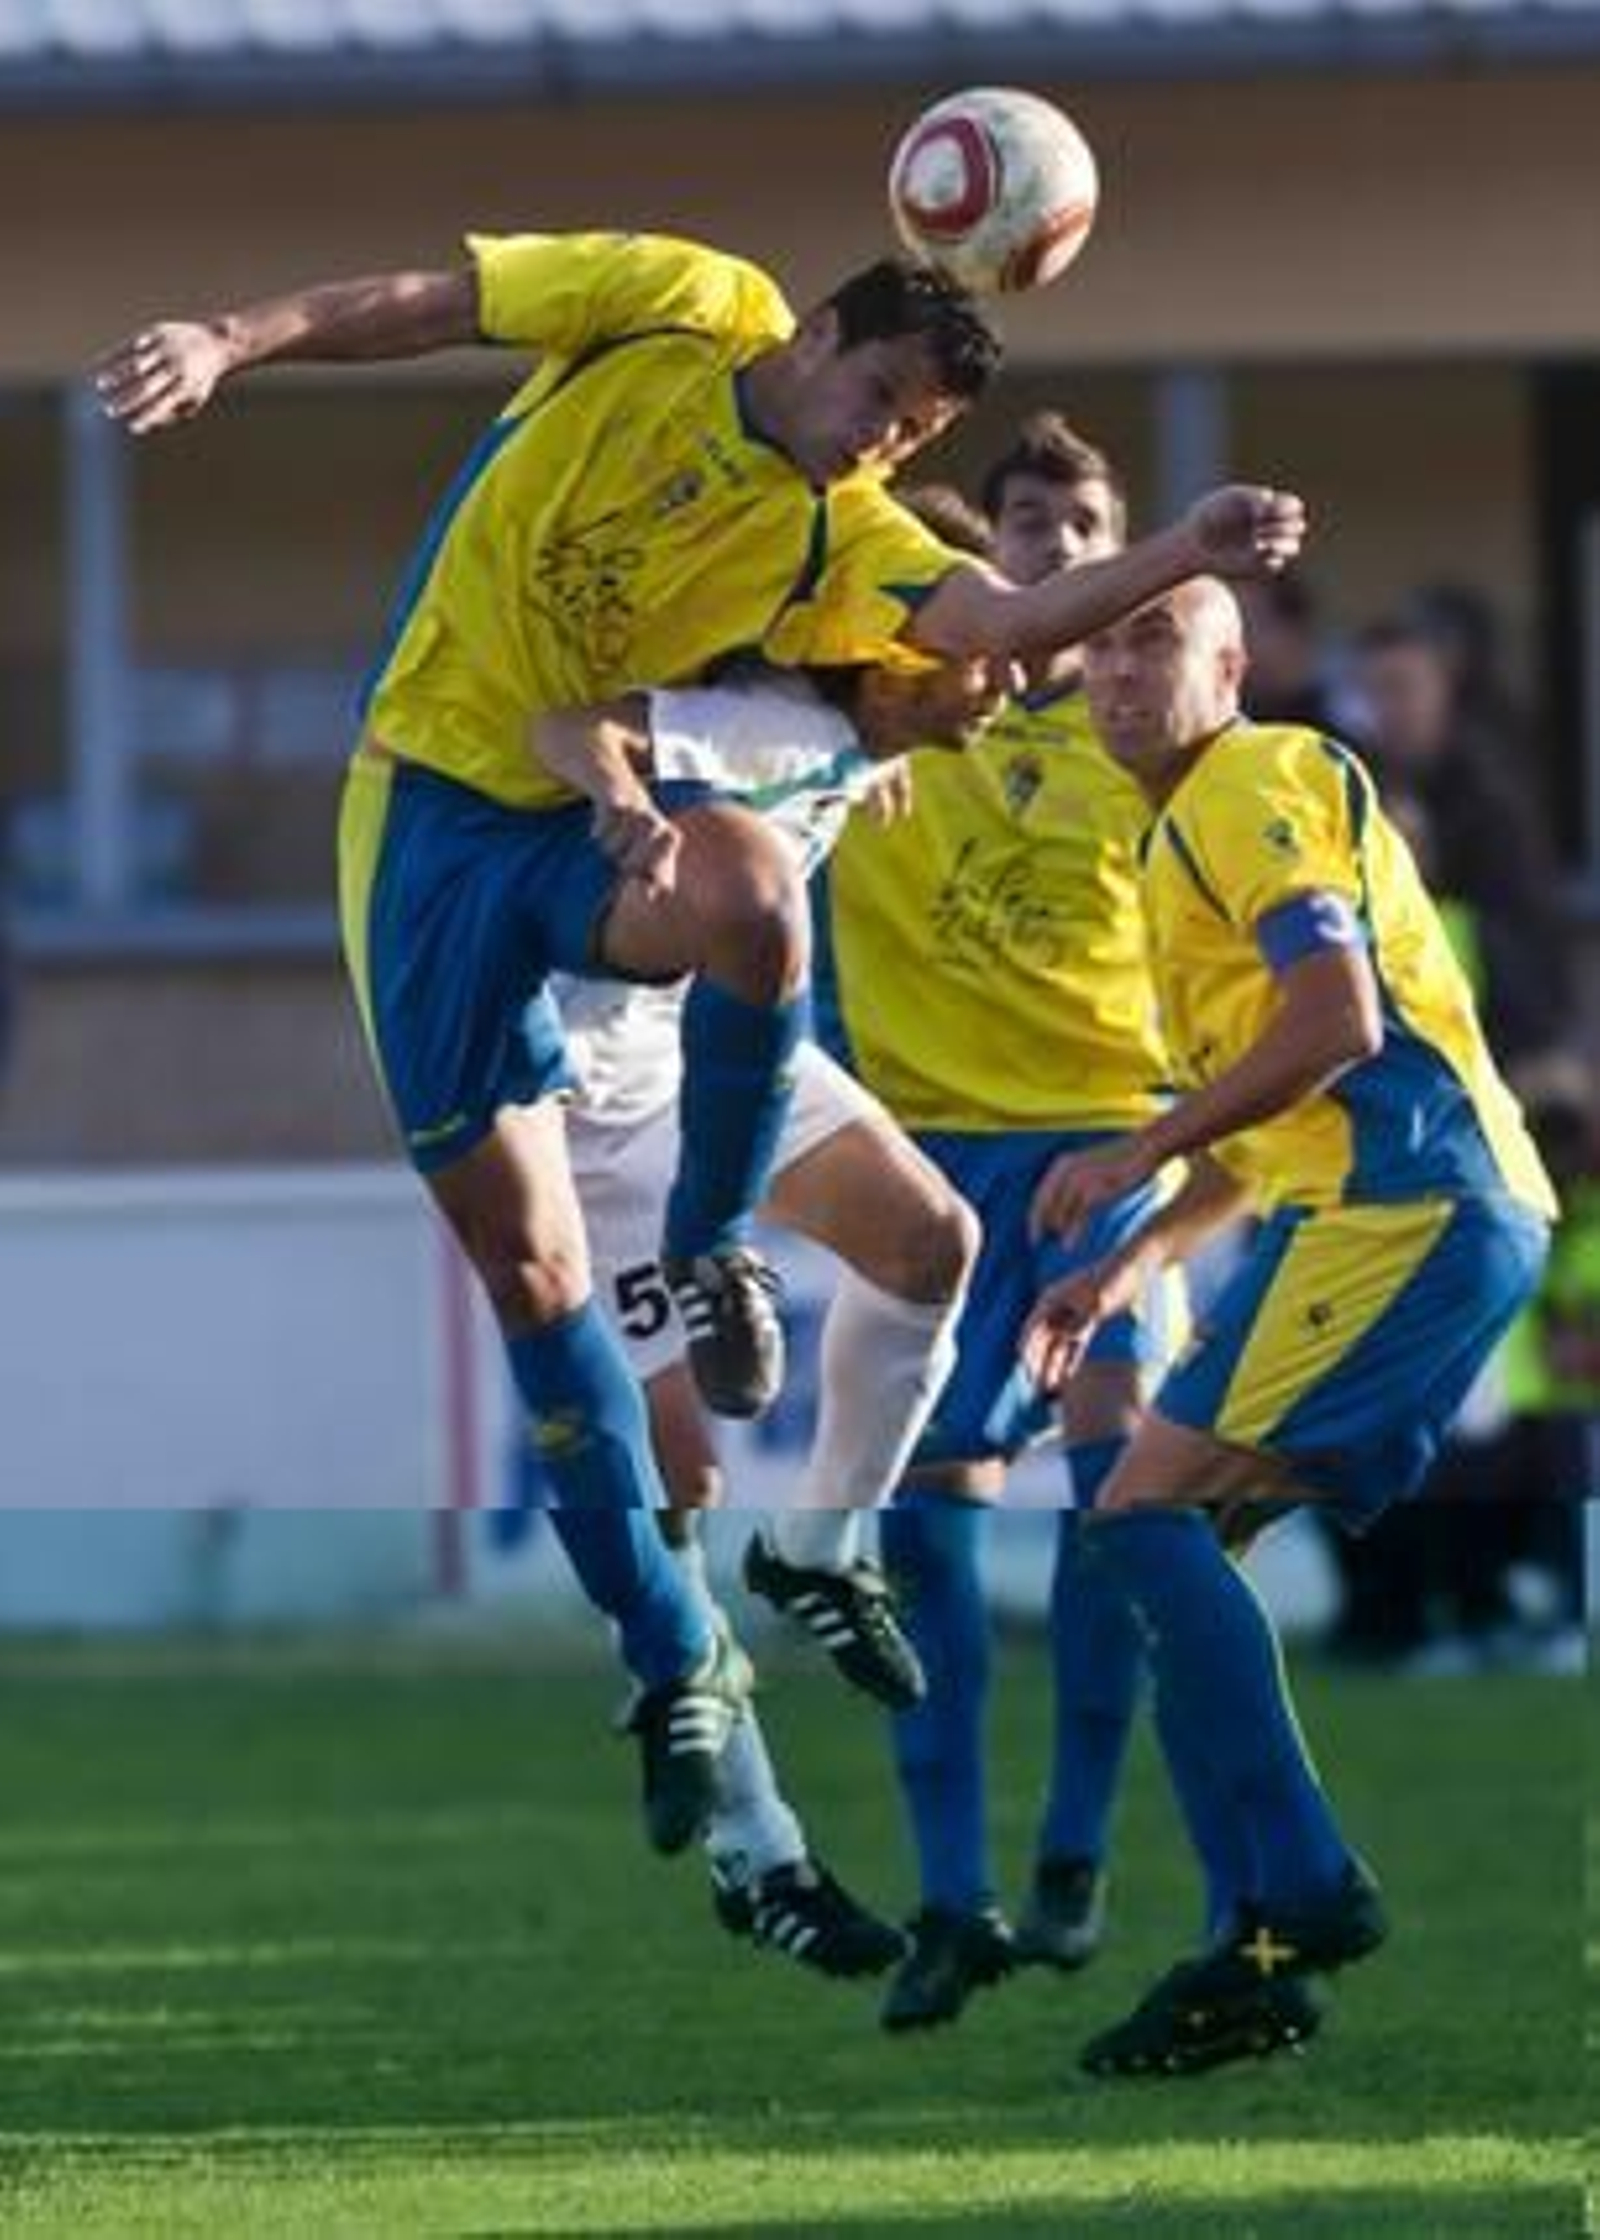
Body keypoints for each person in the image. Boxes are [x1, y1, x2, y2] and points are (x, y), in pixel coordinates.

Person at [95, 229, 1304, 1861]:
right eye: (878, 397)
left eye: (913, 433)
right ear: (816, 333)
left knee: (807, 1012)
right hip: (448, 830)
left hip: (653, 1020)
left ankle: (787, 1473)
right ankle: (683, 1688)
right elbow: (441, 308)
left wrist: (1183, 548)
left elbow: (1016, 610)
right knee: (567, 1328)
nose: (885, 440)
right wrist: (232, 336)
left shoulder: (841, 567)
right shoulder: (679, 307)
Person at [1023, 577, 1557, 2076]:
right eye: (1105, 646)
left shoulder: (1253, 773)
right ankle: (1252, 1960)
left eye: (1156, 642)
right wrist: (1132, 1262)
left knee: (1137, 1522)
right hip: (1376, 1209)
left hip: (1410, 1207)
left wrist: (1131, 1154)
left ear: (1232, 666)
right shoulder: (1167, 830)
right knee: (1165, 1560)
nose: (1122, 672)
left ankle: (1305, 1891)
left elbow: (1338, 1024)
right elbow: (1265, 1136)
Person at [812, 419, 1215, 2032]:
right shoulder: (881, 727)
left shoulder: (1153, 746)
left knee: (1117, 1502)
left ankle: (1072, 1851)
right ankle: (953, 1894)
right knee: (932, 1529)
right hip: (930, 1171)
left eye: (1083, 522)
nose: (1053, 545)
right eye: (1029, 520)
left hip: (1108, 1157)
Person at [512, 656, 1002, 1975]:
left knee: (932, 1238)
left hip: (715, 1059)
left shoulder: (860, 740)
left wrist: (884, 742)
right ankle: (760, 1848)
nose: (1009, 682)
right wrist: (618, 789)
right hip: (587, 1111)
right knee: (683, 1473)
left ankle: (822, 1549)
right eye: (982, 653)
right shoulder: (759, 720)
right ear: (895, 652)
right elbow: (563, 711)